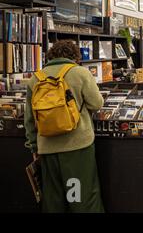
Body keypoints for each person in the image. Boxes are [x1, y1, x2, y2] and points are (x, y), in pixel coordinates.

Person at [24, 40, 104, 213]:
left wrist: (33, 146)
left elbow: (29, 119)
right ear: (75, 56)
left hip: (47, 148)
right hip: (77, 146)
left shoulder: (35, 78)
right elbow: (97, 103)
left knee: (53, 198)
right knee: (80, 195)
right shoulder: (80, 73)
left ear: (51, 55)